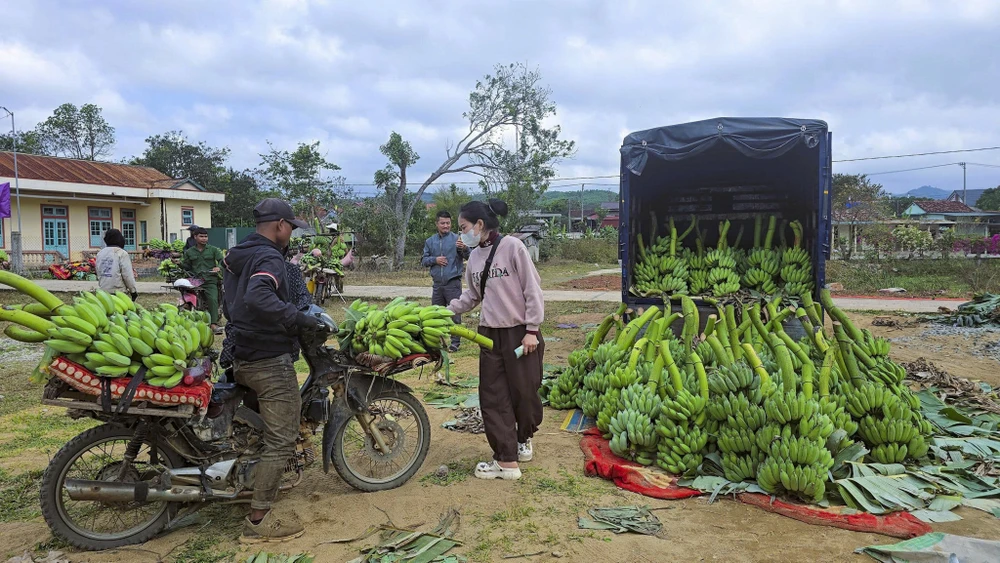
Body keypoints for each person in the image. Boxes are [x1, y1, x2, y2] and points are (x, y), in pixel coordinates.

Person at [222, 198, 323, 543]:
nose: (291, 234)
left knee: (260, 429)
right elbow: (258, 298)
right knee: (282, 437)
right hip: (267, 359)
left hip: (242, 353)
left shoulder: (239, 254)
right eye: (291, 227)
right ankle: (259, 519)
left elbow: (232, 303)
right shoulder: (268, 257)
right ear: (280, 225)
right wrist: (296, 318)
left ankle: (248, 482)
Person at [448, 199, 545, 481]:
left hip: (520, 333)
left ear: (479, 225)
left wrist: (532, 330)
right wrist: (446, 311)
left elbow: (532, 289)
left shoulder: (513, 247)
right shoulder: (474, 258)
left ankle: (523, 438)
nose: (461, 234)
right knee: (493, 396)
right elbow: (473, 296)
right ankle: (505, 459)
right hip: (489, 335)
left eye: (463, 227)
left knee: (524, 391)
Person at [421, 210, 469, 352]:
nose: (446, 226)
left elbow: (469, 255)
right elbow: (423, 260)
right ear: (437, 224)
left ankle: (455, 344)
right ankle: (437, 343)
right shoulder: (430, 241)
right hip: (437, 285)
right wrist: (434, 260)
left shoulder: (458, 239)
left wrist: (465, 248)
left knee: (454, 314)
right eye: (443, 223)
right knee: (436, 315)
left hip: (453, 283)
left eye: (448, 223)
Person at [181, 227, 225, 334]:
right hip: (195, 280)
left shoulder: (213, 250)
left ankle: (213, 324)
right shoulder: (189, 252)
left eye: (206, 236)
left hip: (210, 280)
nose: (204, 239)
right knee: (186, 298)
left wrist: (218, 267)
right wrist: (178, 263)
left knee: (213, 299)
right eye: (201, 236)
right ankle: (187, 319)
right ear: (195, 237)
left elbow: (222, 261)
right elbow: (186, 266)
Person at [95, 229, 139, 300]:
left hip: (103, 293)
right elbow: (127, 275)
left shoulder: (100, 254)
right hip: (118, 293)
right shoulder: (122, 253)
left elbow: (98, 271)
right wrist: (133, 291)